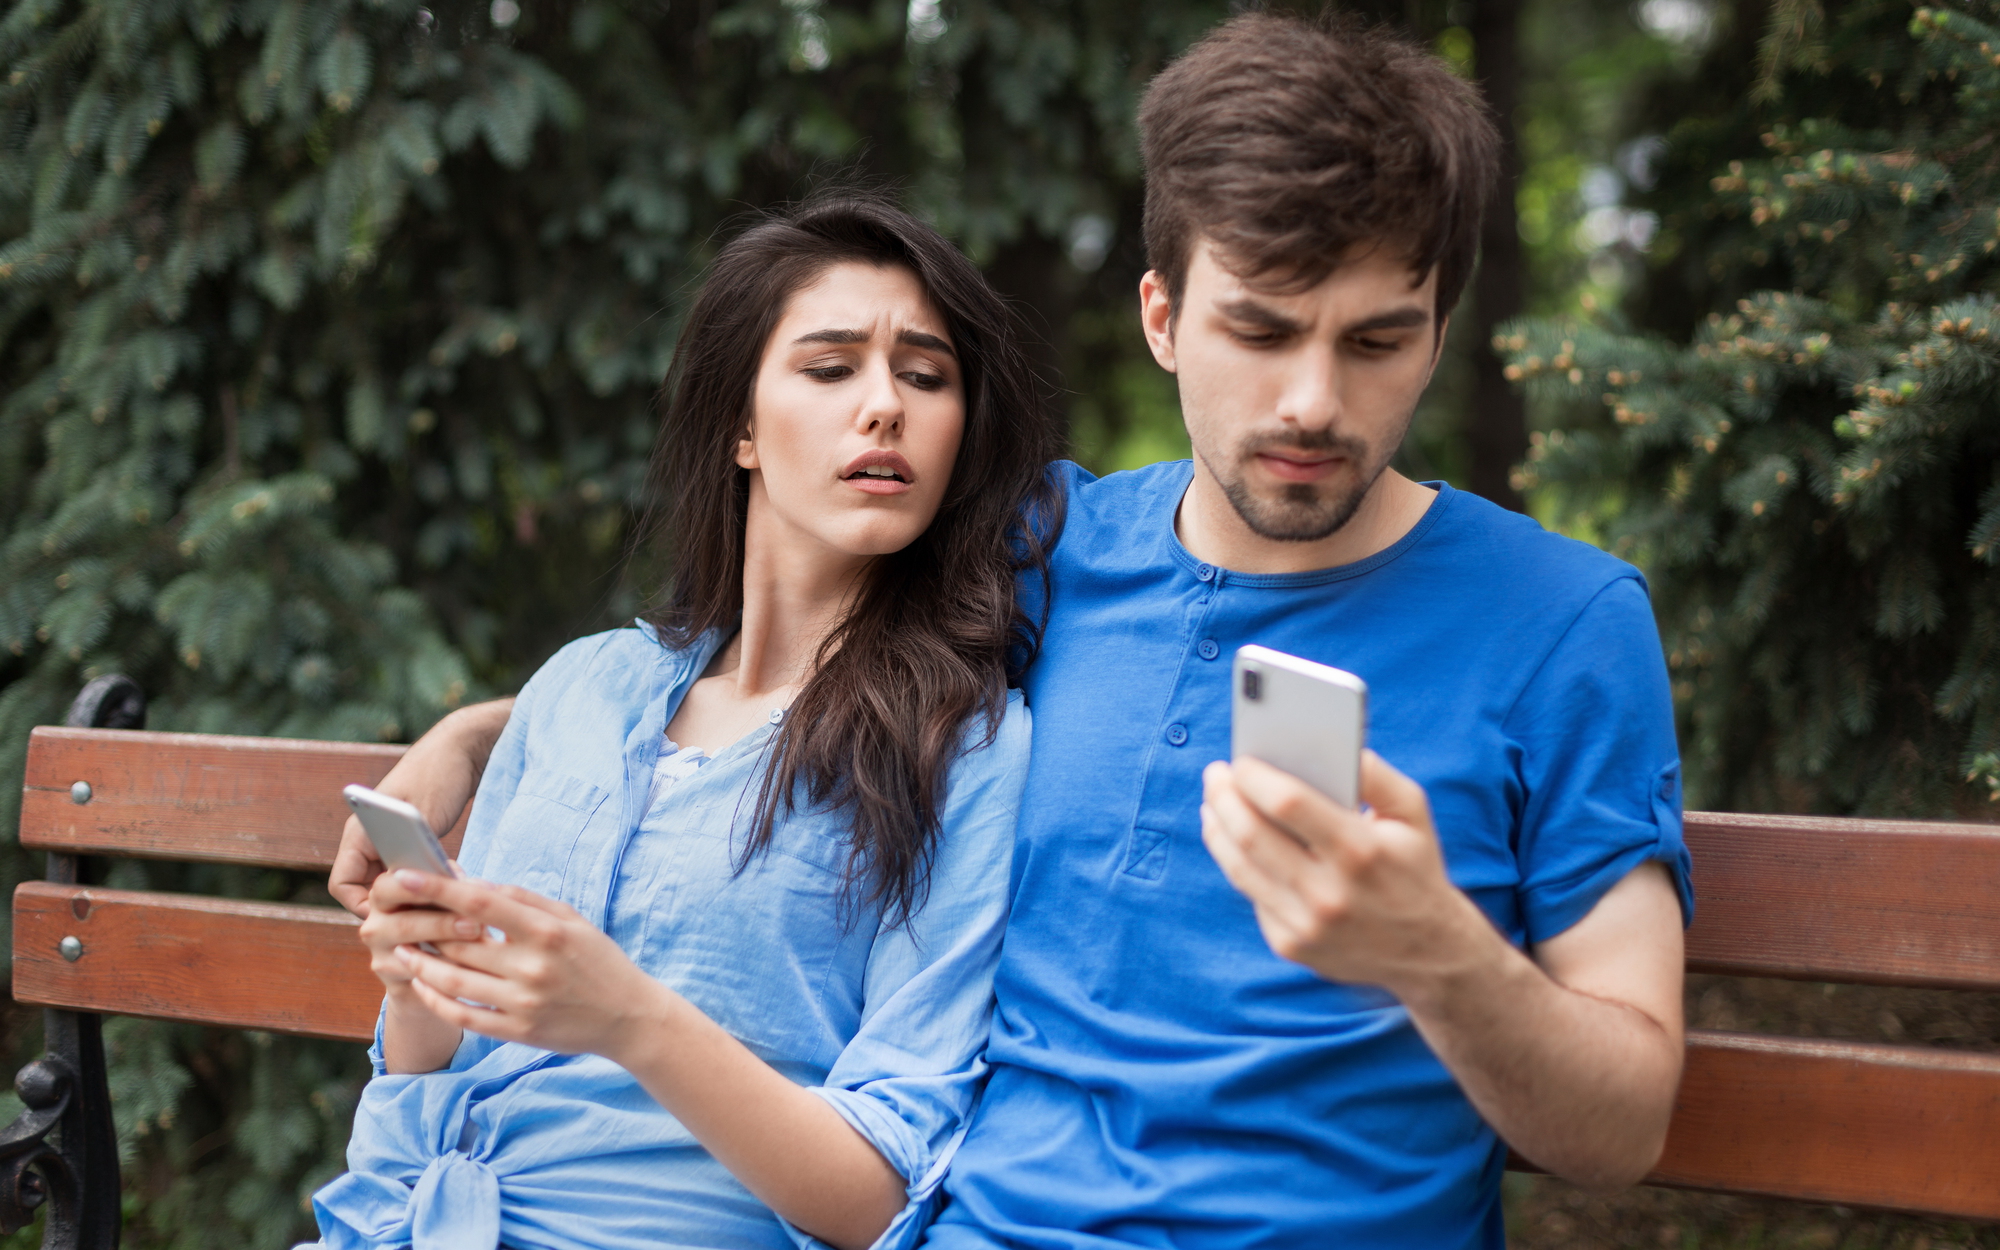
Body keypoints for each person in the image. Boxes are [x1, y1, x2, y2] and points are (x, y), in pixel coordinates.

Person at [335, 14, 1693, 1248]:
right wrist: (473, 736)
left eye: (1377, 341)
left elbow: (1622, 1124)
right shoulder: (1041, 550)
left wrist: (1432, 950)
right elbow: (762, 670)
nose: (1311, 401)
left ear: (1442, 327)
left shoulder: (1563, 623)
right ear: (1161, 317)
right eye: (1261, 330)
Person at [309, 196, 1060, 1250]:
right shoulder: (582, 687)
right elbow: (421, 1079)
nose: (885, 405)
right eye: (831, 366)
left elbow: (880, 1198)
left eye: (925, 375)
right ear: (741, 427)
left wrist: (630, 1017)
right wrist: (420, 968)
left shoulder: (963, 746)